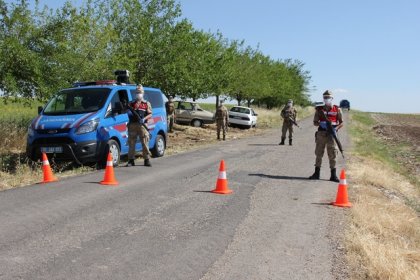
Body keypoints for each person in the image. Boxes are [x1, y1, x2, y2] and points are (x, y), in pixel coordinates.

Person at [309, 90, 344, 182]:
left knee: (332, 154)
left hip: (332, 135)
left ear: (332, 98)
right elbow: (315, 122)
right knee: (319, 153)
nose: (327, 99)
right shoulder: (319, 109)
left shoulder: (337, 109)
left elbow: (341, 122)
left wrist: (335, 129)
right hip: (321, 134)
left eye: (328, 97)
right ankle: (316, 173)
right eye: (325, 97)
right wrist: (321, 123)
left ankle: (333, 175)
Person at [126, 85, 152, 167]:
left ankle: (146, 159)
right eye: (137, 92)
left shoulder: (146, 103)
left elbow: (150, 113)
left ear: (143, 93)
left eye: (140, 92)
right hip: (132, 125)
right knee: (131, 143)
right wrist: (128, 112)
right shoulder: (131, 103)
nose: (138, 94)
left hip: (142, 126)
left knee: (145, 142)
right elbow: (126, 111)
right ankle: (131, 160)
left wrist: (144, 119)